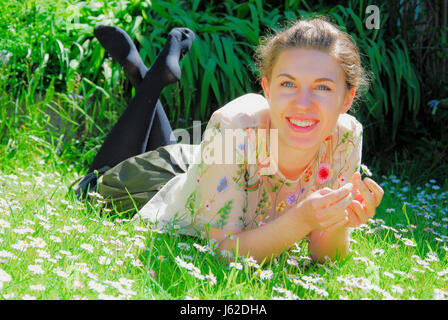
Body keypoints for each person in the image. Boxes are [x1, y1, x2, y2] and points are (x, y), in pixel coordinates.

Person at [70, 17, 384, 265]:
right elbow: (223, 252)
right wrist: (301, 219)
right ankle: (151, 81)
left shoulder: (345, 136)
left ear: (347, 99)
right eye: (288, 83)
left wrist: (339, 221)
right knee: (92, 183)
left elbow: (323, 257)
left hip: (211, 163)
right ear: (268, 88)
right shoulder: (234, 125)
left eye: (323, 88)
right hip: (164, 180)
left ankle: (145, 75)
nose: (303, 103)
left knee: (170, 149)